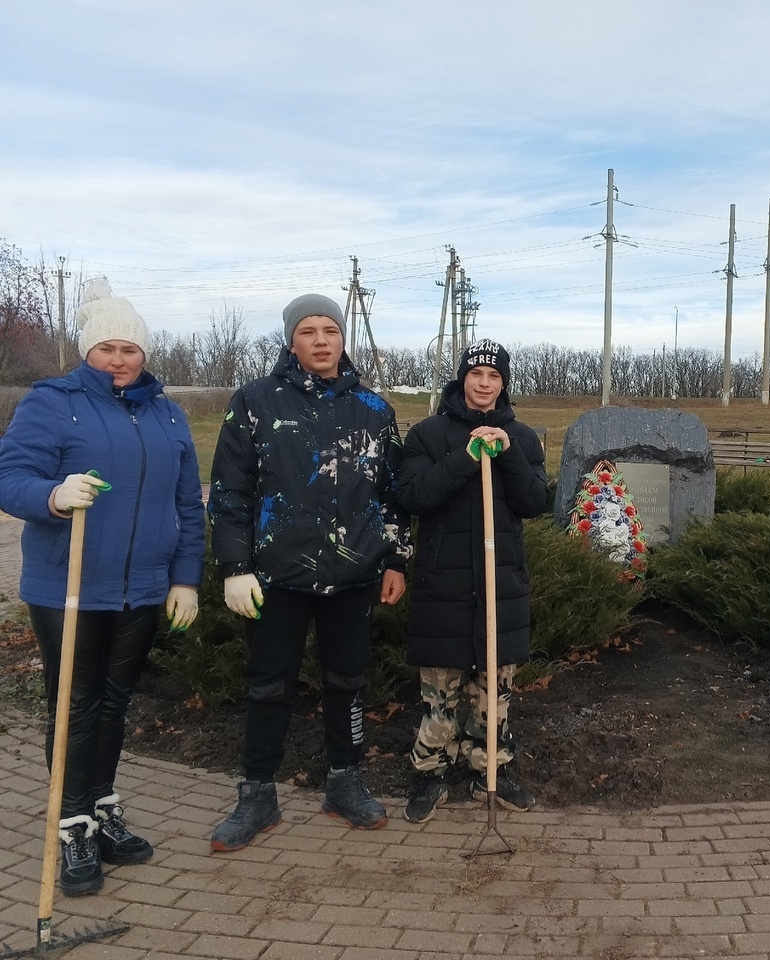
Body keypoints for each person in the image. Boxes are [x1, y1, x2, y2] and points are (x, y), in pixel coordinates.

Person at [0, 280, 204, 895]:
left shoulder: (166, 411)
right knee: (76, 705)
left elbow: (186, 505)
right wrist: (52, 497)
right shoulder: (51, 401)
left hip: (142, 587)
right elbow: (10, 476)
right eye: (106, 347)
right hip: (69, 584)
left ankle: (102, 805)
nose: (119, 359)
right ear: (88, 349)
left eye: (130, 348)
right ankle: (72, 823)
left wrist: (185, 580)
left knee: (116, 702)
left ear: (144, 352)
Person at [206, 293, 412, 851]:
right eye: (308, 331)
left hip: (355, 577)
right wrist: (234, 567)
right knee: (269, 686)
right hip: (278, 578)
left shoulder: (373, 409)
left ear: (343, 339)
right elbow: (229, 492)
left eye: (330, 330)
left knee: (347, 682)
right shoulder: (254, 403)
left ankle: (344, 782)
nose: (321, 340)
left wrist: (396, 558)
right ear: (290, 340)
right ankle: (257, 796)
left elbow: (392, 496)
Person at [396, 339, 548, 823]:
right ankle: (431, 774)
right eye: (476, 373)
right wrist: (465, 456)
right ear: (461, 378)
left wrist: (506, 454)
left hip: (502, 585)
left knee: (495, 694)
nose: (484, 383)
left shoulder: (522, 438)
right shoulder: (427, 434)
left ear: (504, 383)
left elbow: (534, 501)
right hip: (445, 585)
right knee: (440, 694)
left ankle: (493, 771)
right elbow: (415, 495)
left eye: (495, 376)